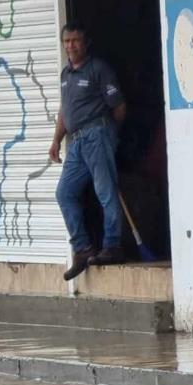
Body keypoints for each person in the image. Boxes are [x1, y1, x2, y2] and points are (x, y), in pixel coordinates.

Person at [49, 22, 127, 281]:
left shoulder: (99, 70)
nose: (70, 46)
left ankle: (112, 245)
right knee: (64, 193)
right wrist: (55, 141)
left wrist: (107, 134)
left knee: (105, 191)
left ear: (86, 43)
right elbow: (64, 111)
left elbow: (118, 107)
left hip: (96, 134)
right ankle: (82, 249)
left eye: (75, 40)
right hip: (76, 142)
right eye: (66, 41)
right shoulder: (65, 74)